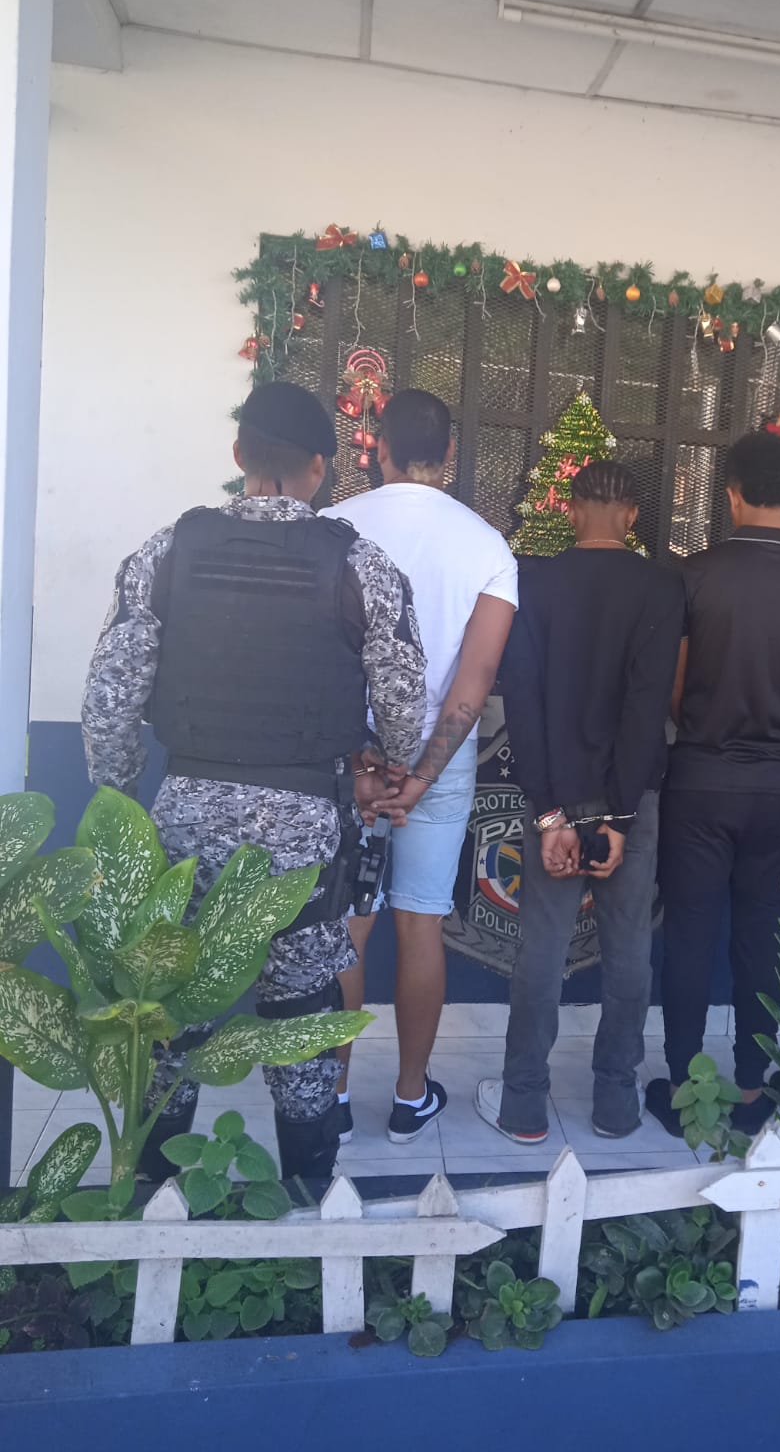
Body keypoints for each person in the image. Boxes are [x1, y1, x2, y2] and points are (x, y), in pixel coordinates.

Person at [82, 381, 426, 1183]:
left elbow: (108, 700)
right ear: (321, 468)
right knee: (299, 1013)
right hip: (305, 829)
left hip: (183, 819)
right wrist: (384, 761)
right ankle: (306, 1188)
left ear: (239, 455)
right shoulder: (359, 563)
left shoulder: (168, 551)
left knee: (170, 1008)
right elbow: (406, 700)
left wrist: (121, 803)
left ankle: (154, 1190)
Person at [327, 389, 518, 1144]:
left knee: (347, 926)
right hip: (440, 763)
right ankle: (410, 1097)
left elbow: (320, 661)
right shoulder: (486, 546)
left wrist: (362, 761)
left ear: (376, 447)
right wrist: (421, 777)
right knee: (421, 923)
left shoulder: (335, 527)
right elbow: (473, 684)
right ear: (449, 455)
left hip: (351, 757)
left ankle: (333, 1096)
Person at [475, 461, 685, 1144]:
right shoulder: (660, 588)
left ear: (569, 510)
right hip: (632, 801)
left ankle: (524, 1103)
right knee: (629, 951)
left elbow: (523, 701)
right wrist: (620, 818)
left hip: (553, 796)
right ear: (632, 516)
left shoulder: (532, 581)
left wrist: (549, 813)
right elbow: (646, 707)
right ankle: (615, 1100)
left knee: (541, 949)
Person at [648, 430, 780, 1140]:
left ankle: (683, 1089)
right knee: (761, 941)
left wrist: (706, 722)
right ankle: (755, 1089)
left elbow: (674, 688)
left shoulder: (693, 577)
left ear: (730, 495)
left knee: (690, 935)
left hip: (700, 781)